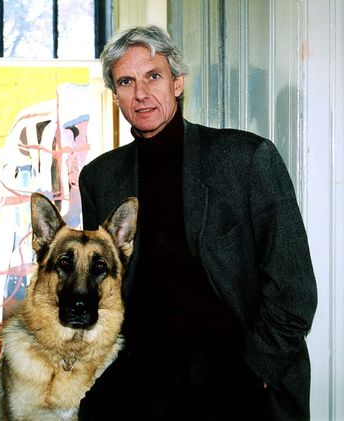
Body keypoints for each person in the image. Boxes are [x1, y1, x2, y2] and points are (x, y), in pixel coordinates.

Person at [78, 25, 317, 420]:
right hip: (143, 367)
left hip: (234, 366)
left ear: (177, 83)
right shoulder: (99, 178)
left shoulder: (246, 159)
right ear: (115, 95)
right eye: (126, 82)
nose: (141, 93)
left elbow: (294, 290)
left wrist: (256, 371)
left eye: (153, 76)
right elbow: (100, 286)